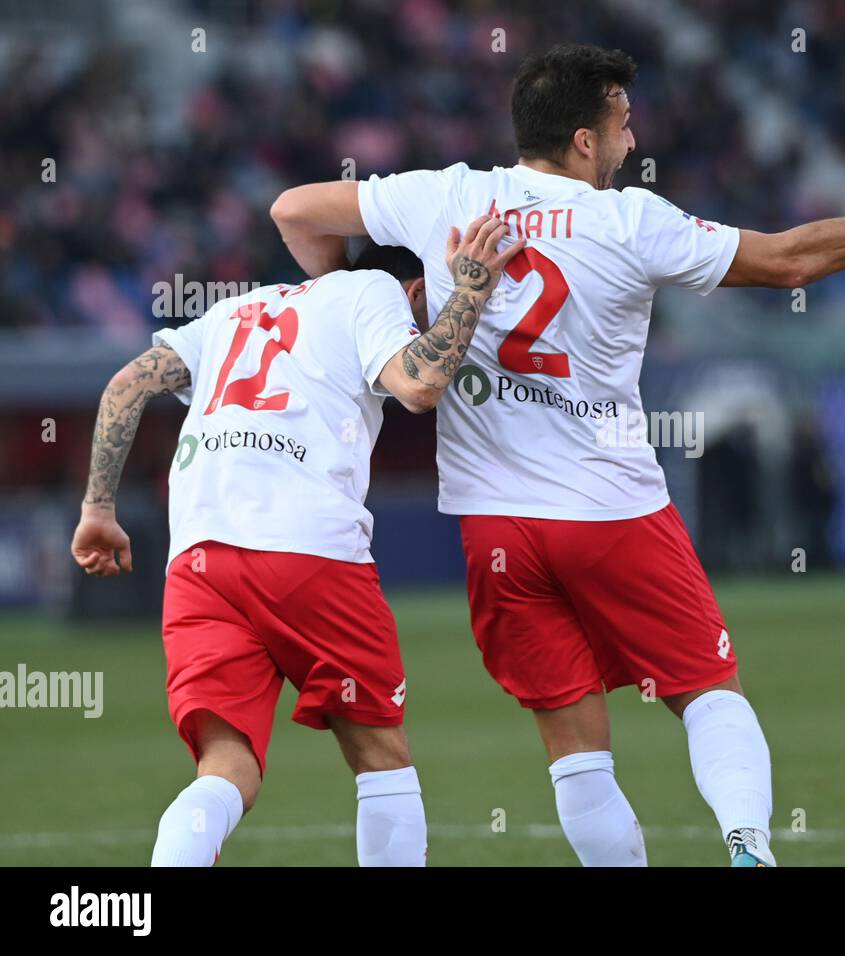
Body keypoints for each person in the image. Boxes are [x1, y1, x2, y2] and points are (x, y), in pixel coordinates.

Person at [270, 42, 845, 867]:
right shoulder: (632, 221)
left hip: (496, 526)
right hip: (612, 510)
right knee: (707, 694)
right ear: (585, 139)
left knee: (575, 749)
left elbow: (294, 211)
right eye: (622, 121)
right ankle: (748, 846)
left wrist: (356, 303)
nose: (631, 137)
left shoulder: (442, 195)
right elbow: (791, 259)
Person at [70, 218, 522, 865]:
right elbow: (420, 385)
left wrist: (96, 509)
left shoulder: (235, 309)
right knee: (379, 757)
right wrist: (472, 291)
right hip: (306, 550)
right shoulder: (374, 292)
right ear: (417, 291)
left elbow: (125, 385)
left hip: (199, 556)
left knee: (226, 767)